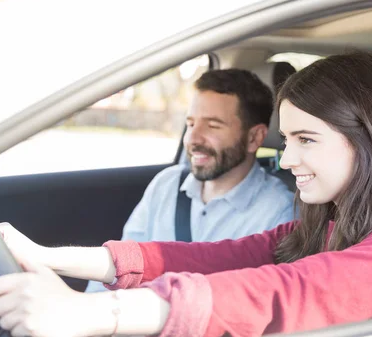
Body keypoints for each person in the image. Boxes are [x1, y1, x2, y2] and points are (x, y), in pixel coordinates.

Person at [0, 52, 372, 337]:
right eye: (287, 138)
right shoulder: (329, 224)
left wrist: (94, 313)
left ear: (368, 141)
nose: (287, 159)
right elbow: (212, 259)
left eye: (306, 140)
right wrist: (50, 257)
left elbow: (283, 292)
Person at [84, 68, 295, 295]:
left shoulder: (280, 212)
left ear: (254, 138)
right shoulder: (167, 184)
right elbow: (117, 268)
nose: (193, 138)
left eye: (213, 125)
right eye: (191, 123)